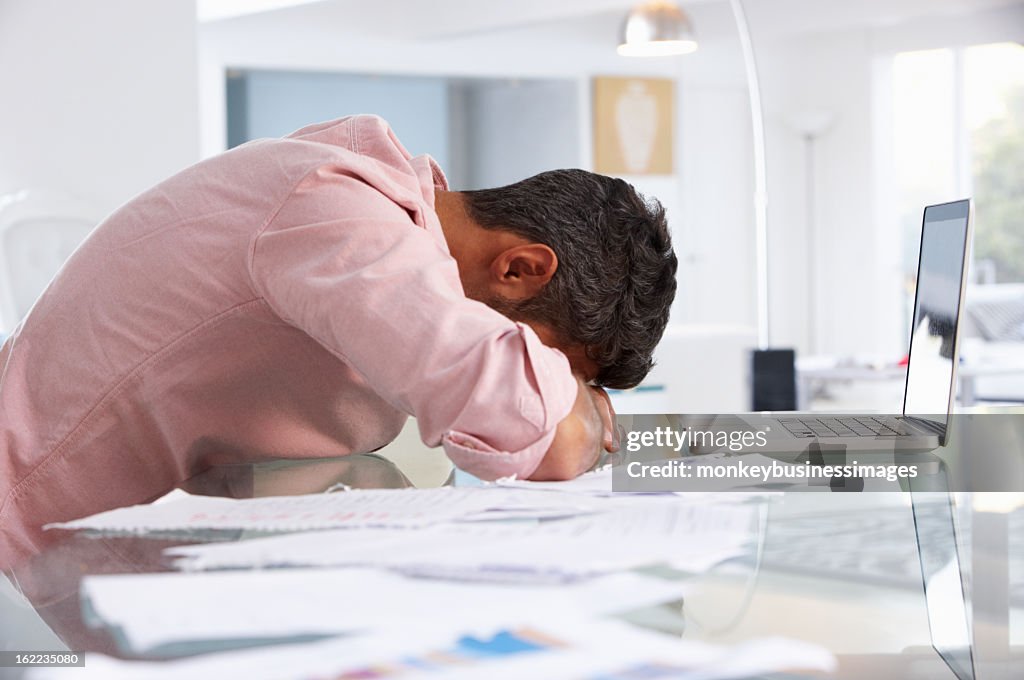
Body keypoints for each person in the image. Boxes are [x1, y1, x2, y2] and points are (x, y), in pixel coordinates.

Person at [0, 115, 677, 566]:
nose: (563, 388)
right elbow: (544, 432)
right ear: (520, 268)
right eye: (551, 359)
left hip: (80, 556)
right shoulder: (334, 206)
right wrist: (577, 414)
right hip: (18, 546)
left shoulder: (382, 225)